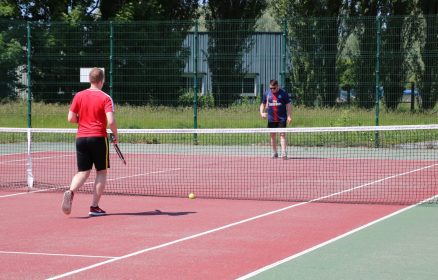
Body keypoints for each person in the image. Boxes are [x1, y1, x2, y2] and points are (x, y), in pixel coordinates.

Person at [62, 67, 118, 216]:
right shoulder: (106, 97)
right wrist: (115, 134)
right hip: (98, 138)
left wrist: (84, 121)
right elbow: (111, 121)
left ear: (90, 80)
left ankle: (71, 191)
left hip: (81, 138)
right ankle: (94, 207)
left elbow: (70, 118)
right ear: (102, 80)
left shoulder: (79, 95)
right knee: (101, 172)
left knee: (83, 172)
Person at [259, 79, 292, 159]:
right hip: (271, 119)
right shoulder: (267, 93)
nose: (272, 89)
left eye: (274, 88)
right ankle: (274, 152)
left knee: (282, 135)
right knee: (272, 135)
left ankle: (284, 153)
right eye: (271, 88)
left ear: (277, 86)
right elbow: (262, 104)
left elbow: (288, 105)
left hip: (282, 118)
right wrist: (262, 113)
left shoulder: (283, 93)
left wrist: (289, 116)